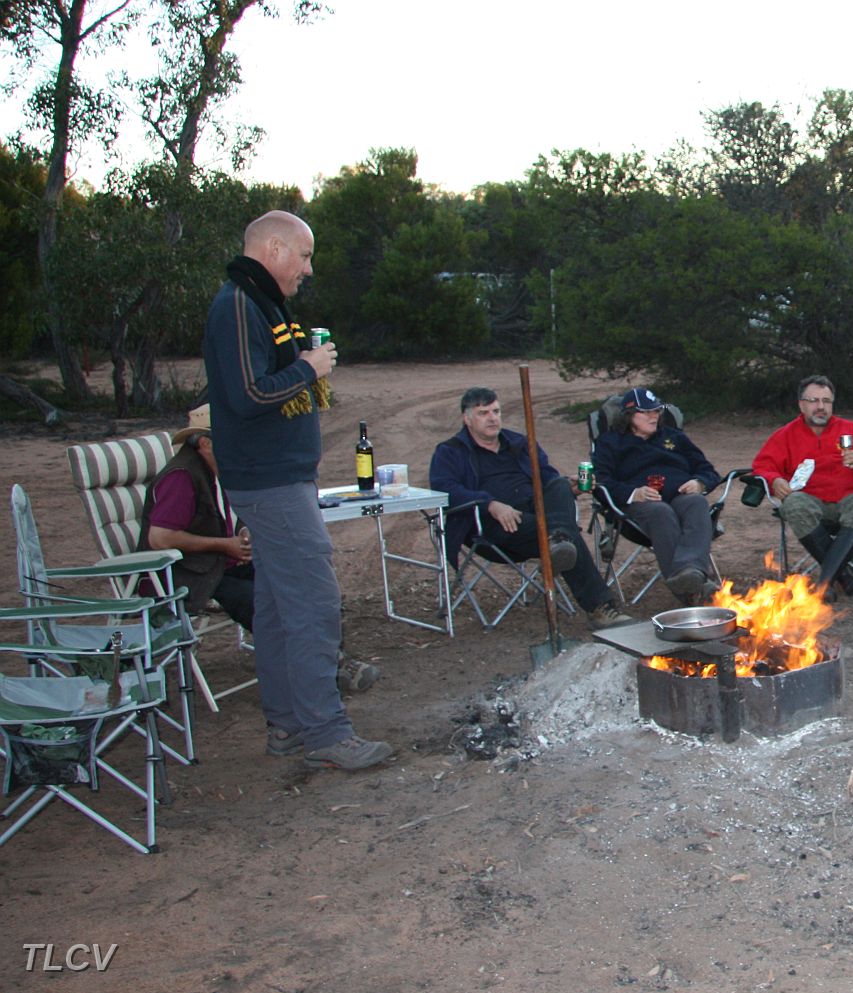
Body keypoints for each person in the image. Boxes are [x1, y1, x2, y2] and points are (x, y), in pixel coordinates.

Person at [202, 209, 391, 770]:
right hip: (269, 482)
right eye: (304, 256)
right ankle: (326, 733)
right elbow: (247, 396)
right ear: (276, 249)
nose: (308, 269)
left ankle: (286, 725)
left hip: (282, 478)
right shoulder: (236, 305)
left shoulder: (261, 301)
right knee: (314, 601)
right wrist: (308, 368)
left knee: (281, 606)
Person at [138, 405, 379, 693]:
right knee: (262, 600)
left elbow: (231, 516)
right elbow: (160, 538)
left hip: (223, 562)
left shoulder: (221, 469)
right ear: (205, 443)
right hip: (192, 572)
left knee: (304, 579)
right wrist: (222, 544)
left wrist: (241, 531)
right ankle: (318, 672)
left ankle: (329, 662)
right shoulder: (181, 477)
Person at [431, 387, 631, 629]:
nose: (493, 418)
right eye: (484, 413)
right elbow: (445, 488)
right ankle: (600, 607)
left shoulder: (519, 443)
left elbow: (547, 477)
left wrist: (571, 486)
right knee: (564, 534)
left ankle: (558, 540)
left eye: (496, 411)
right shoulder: (451, 451)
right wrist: (490, 504)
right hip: (493, 527)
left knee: (558, 487)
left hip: (535, 517)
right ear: (467, 418)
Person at [751, 375, 853, 594]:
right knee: (793, 502)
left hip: (849, 500)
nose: (820, 407)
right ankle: (843, 577)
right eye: (814, 401)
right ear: (801, 404)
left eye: (826, 401)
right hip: (809, 500)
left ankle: (824, 583)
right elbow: (762, 465)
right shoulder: (785, 435)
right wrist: (774, 479)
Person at [591, 387, 723, 605]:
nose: (655, 416)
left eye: (657, 411)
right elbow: (601, 482)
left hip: (681, 496)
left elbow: (708, 470)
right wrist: (634, 493)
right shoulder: (610, 443)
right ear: (629, 415)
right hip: (639, 507)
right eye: (647, 412)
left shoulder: (674, 437)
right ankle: (694, 586)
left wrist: (699, 482)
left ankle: (689, 574)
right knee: (661, 511)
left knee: (697, 503)